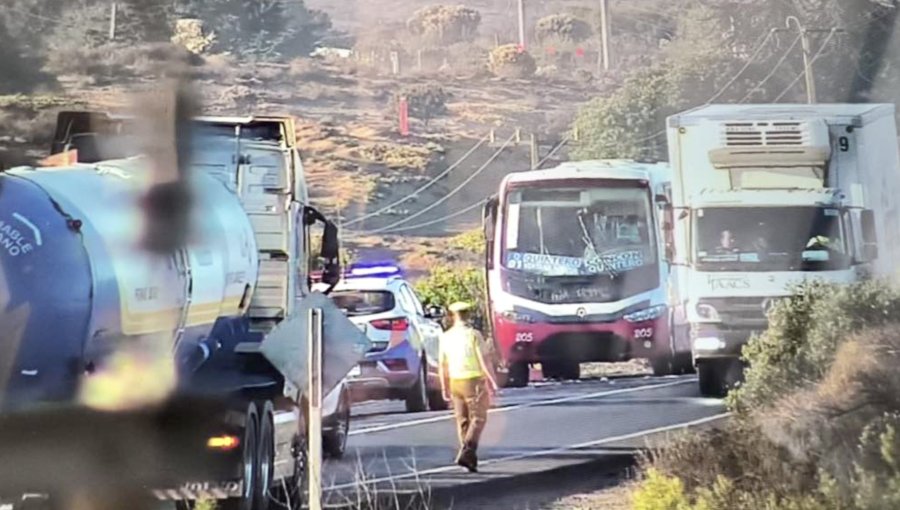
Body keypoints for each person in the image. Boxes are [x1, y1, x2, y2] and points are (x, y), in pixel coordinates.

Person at [439, 301, 499, 473]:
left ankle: (470, 461)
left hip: (455, 381)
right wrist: (493, 381)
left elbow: (443, 364)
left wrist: (444, 387)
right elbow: (483, 359)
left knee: (463, 420)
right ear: (468, 315)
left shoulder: (446, 337)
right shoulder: (473, 335)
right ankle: (467, 452)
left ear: (452, 316)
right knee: (479, 418)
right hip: (473, 381)